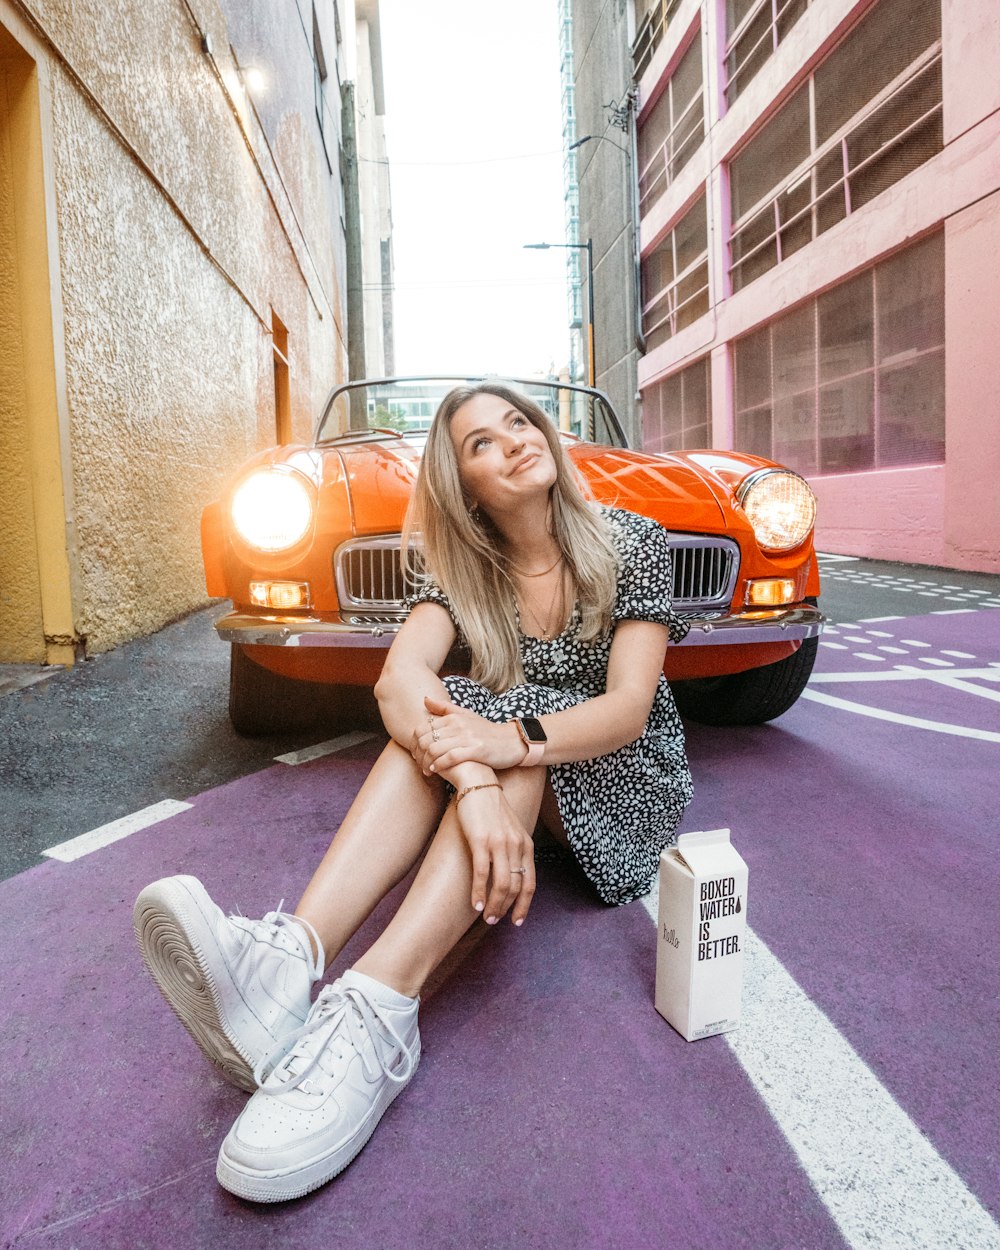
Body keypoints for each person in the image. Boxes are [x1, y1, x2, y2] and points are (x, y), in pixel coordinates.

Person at [133, 382, 693, 1203]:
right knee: (440, 716)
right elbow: (398, 682)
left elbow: (626, 711)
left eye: (519, 422)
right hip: (506, 765)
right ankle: (289, 965)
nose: (512, 441)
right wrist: (469, 778)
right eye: (480, 443)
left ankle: (379, 1007)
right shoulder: (465, 569)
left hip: (624, 778)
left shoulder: (632, 541)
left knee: (488, 720)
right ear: (464, 485)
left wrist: (500, 744)